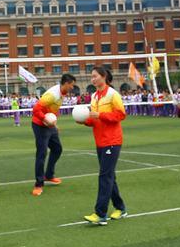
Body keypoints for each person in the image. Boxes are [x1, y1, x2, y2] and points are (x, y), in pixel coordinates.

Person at [79, 66, 127, 225]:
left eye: (94, 76)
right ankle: (120, 208)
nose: (92, 79)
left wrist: (100, 115)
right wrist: (84, 120)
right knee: (109, 176)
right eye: (91, 77)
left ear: (103, 76)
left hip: (112, 141)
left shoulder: (113, 94)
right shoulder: (94, 96)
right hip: (100, 140)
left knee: (105, 176)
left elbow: (121, 115)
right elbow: (94, 120)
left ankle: (100, 213)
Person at [30, 73, 75, 196]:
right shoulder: (52, 94)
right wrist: (45, 119)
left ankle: (48, 175)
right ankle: (38, 184)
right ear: (66, 83)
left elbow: (53, 110)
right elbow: (35, 109)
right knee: (42, 153)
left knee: (57, 149)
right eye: (71, 85)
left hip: (49, 125)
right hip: (40, 125)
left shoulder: (62, 93)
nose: (72, 87)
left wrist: (54, 124)